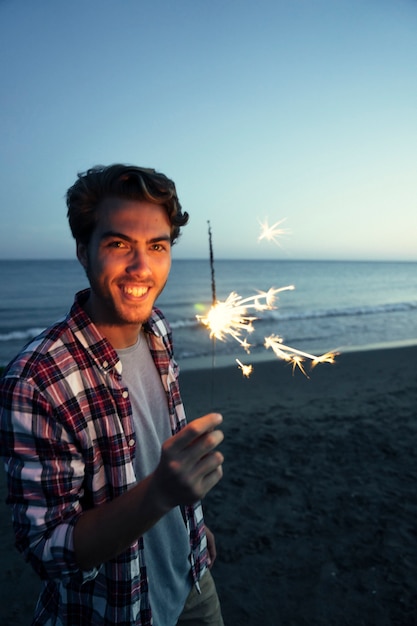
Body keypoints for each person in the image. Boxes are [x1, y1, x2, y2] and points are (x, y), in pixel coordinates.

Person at [0, 164, 225, 625]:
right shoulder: (36, 380)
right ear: (84, 251)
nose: (142, 267)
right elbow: (49, 551)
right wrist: (162, 493)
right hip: (116, 609)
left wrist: (192, 529)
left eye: (157, 246)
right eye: (119, 243)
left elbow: (155, 449)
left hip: (193, 579)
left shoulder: (158, 328)